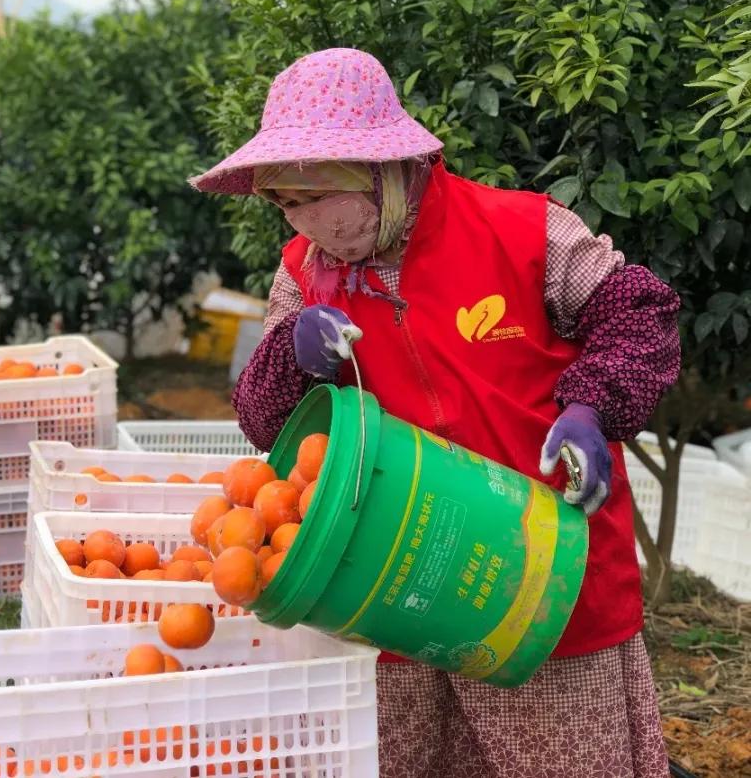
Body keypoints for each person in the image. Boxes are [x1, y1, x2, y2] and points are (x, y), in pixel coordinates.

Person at [190, 49, 680, 778]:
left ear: (376, 169)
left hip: (540, 575)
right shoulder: (303, 272)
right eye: (282, 202)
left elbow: (640, 316)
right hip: (390, 587)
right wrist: (293, 354)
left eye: (309, 195)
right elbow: (264, 421)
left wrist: (590, 407)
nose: (299, 220)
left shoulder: (525, 234)